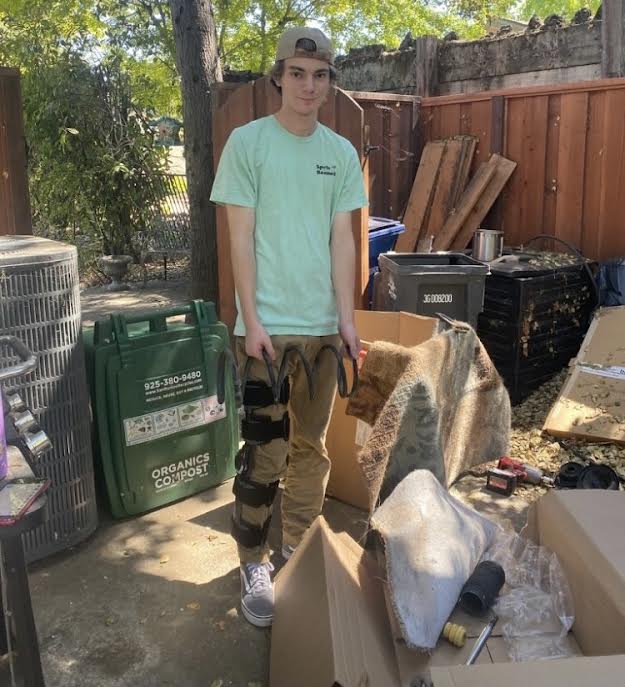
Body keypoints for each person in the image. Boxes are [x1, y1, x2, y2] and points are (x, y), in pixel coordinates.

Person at [210, 26, 368, 627]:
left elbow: (342, 240)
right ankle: (252, 558)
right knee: (266, 452)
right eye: (297, 73)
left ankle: (298, 549)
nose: (308, 85)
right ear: (278, 76)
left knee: (312, 449)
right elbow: (240, 239)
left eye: (320, 74)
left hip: (323, 334)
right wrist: (252, 322)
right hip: (267, 336)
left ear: (330, 82)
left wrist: (347, 321)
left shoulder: (339, 154)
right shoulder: (248, 145)